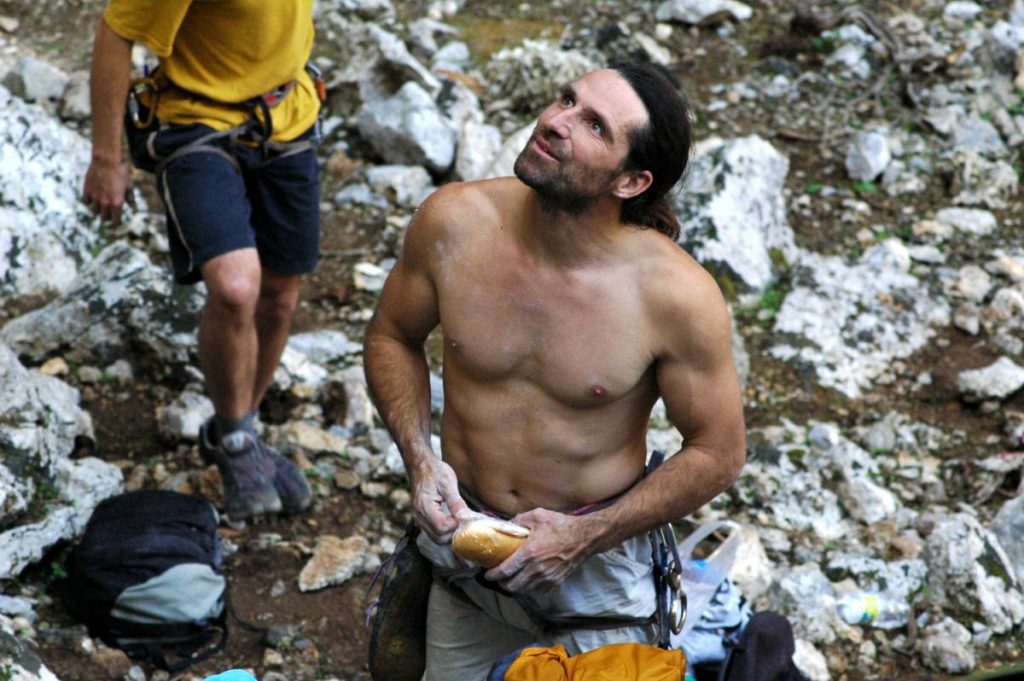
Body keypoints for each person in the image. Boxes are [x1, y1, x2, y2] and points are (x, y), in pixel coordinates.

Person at [363, 63, 747, 680]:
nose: (556, 122)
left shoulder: (674, 295)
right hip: (466, 548)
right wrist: (419, 459)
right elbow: (392, 337)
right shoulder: (454, 222)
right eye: (567, 100)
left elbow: (718, 451)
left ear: (631, 181)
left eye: (594, 125)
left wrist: (584, 538)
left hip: (596, 570)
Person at [80, 1, 321, 521]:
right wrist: (106, 158)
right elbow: (117, 31)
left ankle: (244, 427)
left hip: (287, 115)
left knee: (280, 296)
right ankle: (235, 438)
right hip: (194, 121)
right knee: (236, 288)